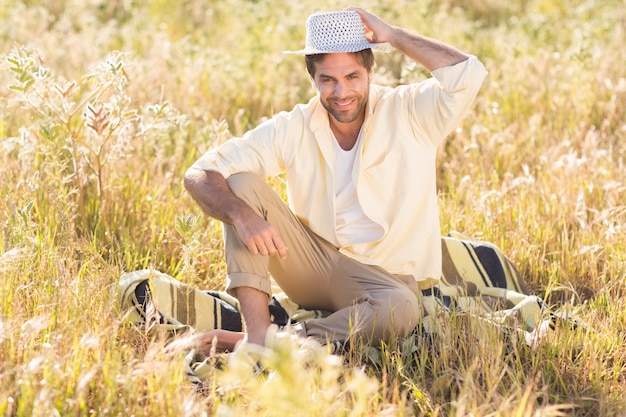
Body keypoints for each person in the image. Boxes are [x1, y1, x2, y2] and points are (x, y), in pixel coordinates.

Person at [184, 7, 488, 351]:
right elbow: (200, 173)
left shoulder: (411, 111)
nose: (341, 92)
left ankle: (279, 342)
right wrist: (241, 215)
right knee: (239, 185)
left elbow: (468, 74)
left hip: (387, 283)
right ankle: (256, 338)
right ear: (312, 79)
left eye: (352, 77)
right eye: (328, 80)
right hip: (314, 266)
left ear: (371, 71)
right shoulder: (294, 125)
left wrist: (393, 36)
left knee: (402, 309)